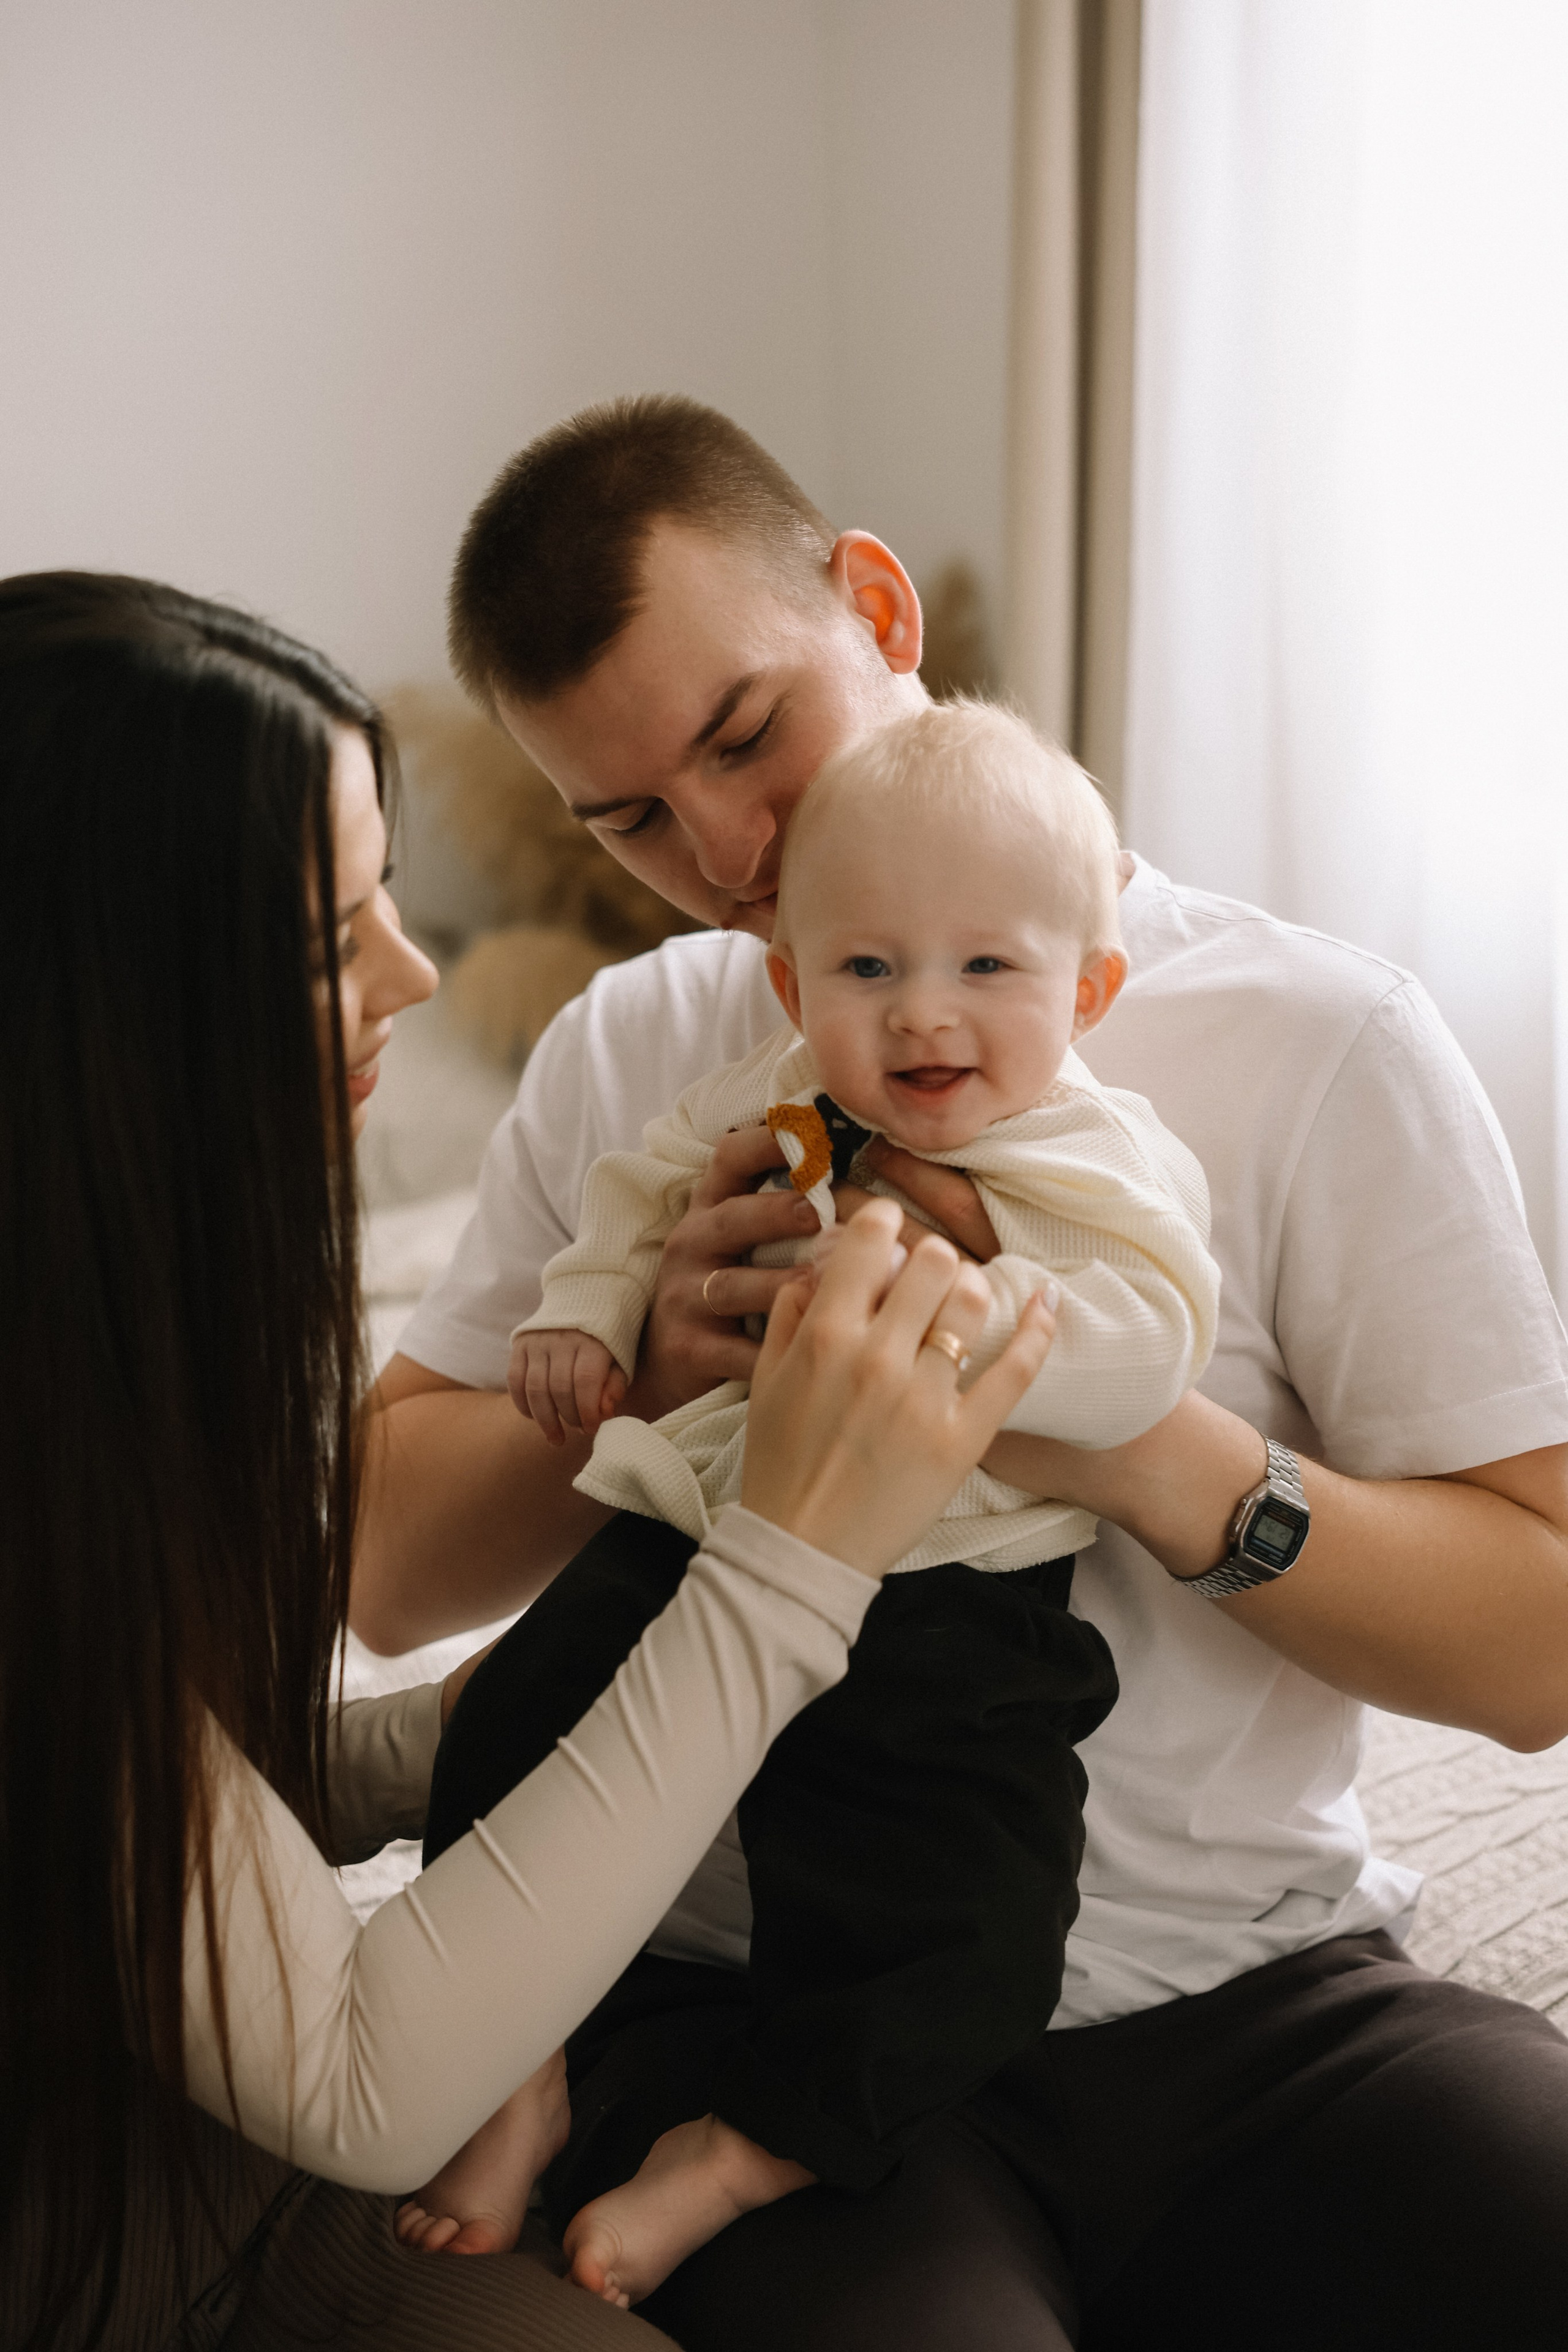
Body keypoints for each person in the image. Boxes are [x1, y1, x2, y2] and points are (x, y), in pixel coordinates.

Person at [360, 396, 1568, 2350]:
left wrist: (1141, 1452)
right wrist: (644, 1366)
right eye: (633, 821)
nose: (733, 850)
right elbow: (393, 1579)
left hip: (1255, 2009)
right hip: (751, 1995)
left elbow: (1541, 1652)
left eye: (744, 736)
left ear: (881, 610)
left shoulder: (1321, 1036)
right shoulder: (646, 1039)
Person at [0, 570, 1053, 2352]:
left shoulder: (93, 1322)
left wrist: (503, 1712)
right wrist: (787, 1564)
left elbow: (112, 1801)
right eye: (329, 938)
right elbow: (359, 2073)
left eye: (386, 894)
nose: (412, 971)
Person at [414, 701, 1221, 2304]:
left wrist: (972, 1319)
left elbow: (1152, 1342)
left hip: (955, 1598)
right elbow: (639, 1191)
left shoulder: (1096, 1160)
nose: (923, 1016)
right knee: (507, 1732)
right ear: (795, 984)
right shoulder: (780, 1100)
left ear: (1090, 990)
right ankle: (509, 2064)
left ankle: (751, 2148)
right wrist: (584, 1307)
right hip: (699, 1530)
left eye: (988, 969)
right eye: (867, 971)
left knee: (969, 1924)